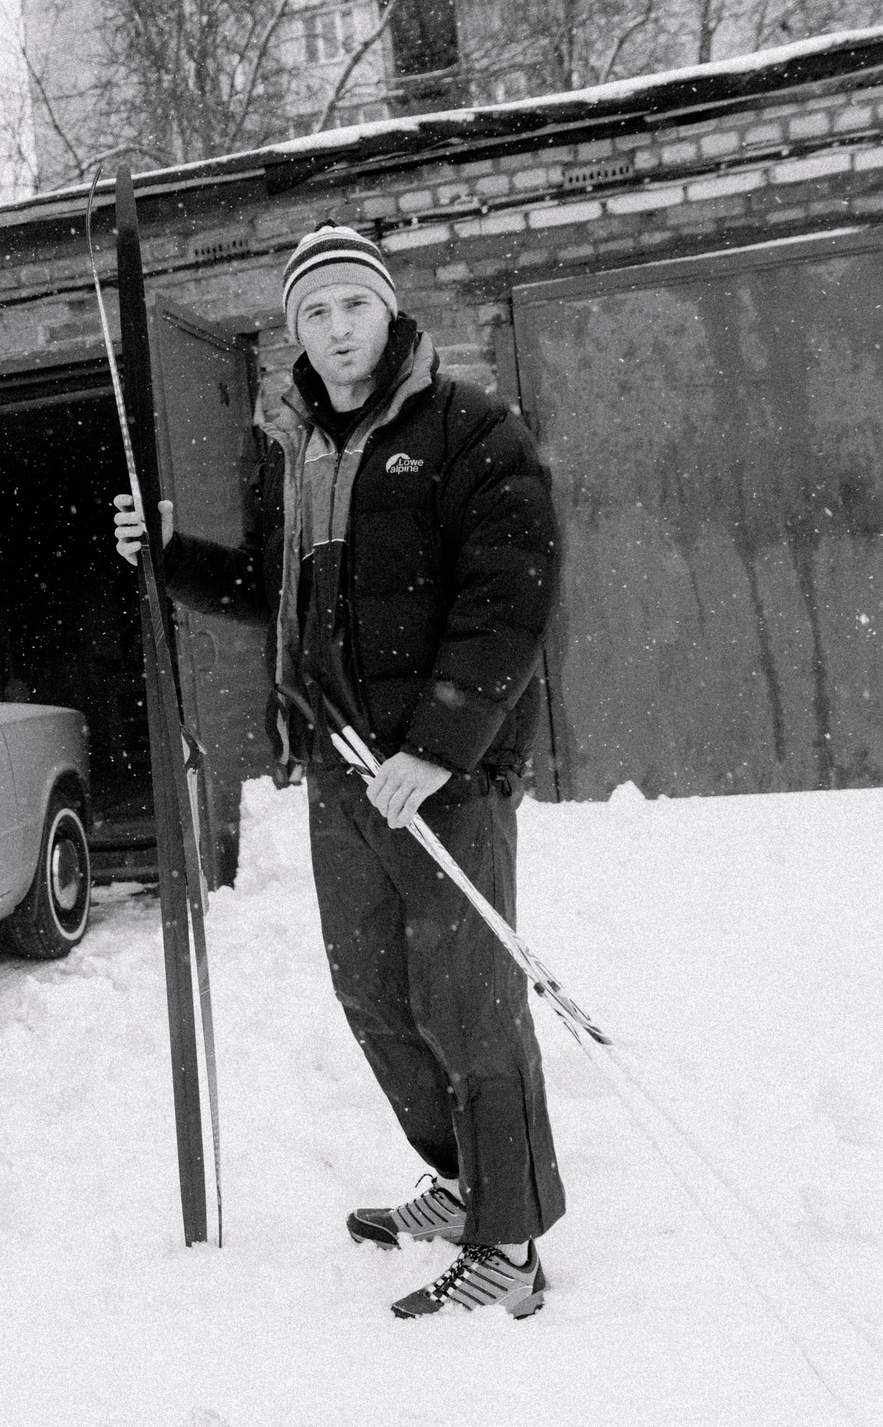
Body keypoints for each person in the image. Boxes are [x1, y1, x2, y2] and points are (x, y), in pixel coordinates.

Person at [113, 223, 565, 1319]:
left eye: (351, 306)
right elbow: (275, 593)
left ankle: (509, 1247)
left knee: (467, 1003)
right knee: (371, 989)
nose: (335, 329)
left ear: (388, 311)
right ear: (294, 336)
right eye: (313, 314)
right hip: (337, 767)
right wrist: (165, 558)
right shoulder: (295, 453)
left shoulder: (468, 433)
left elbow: (511, 594)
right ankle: (460, 1184)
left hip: (440, 778)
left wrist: (436, 746)